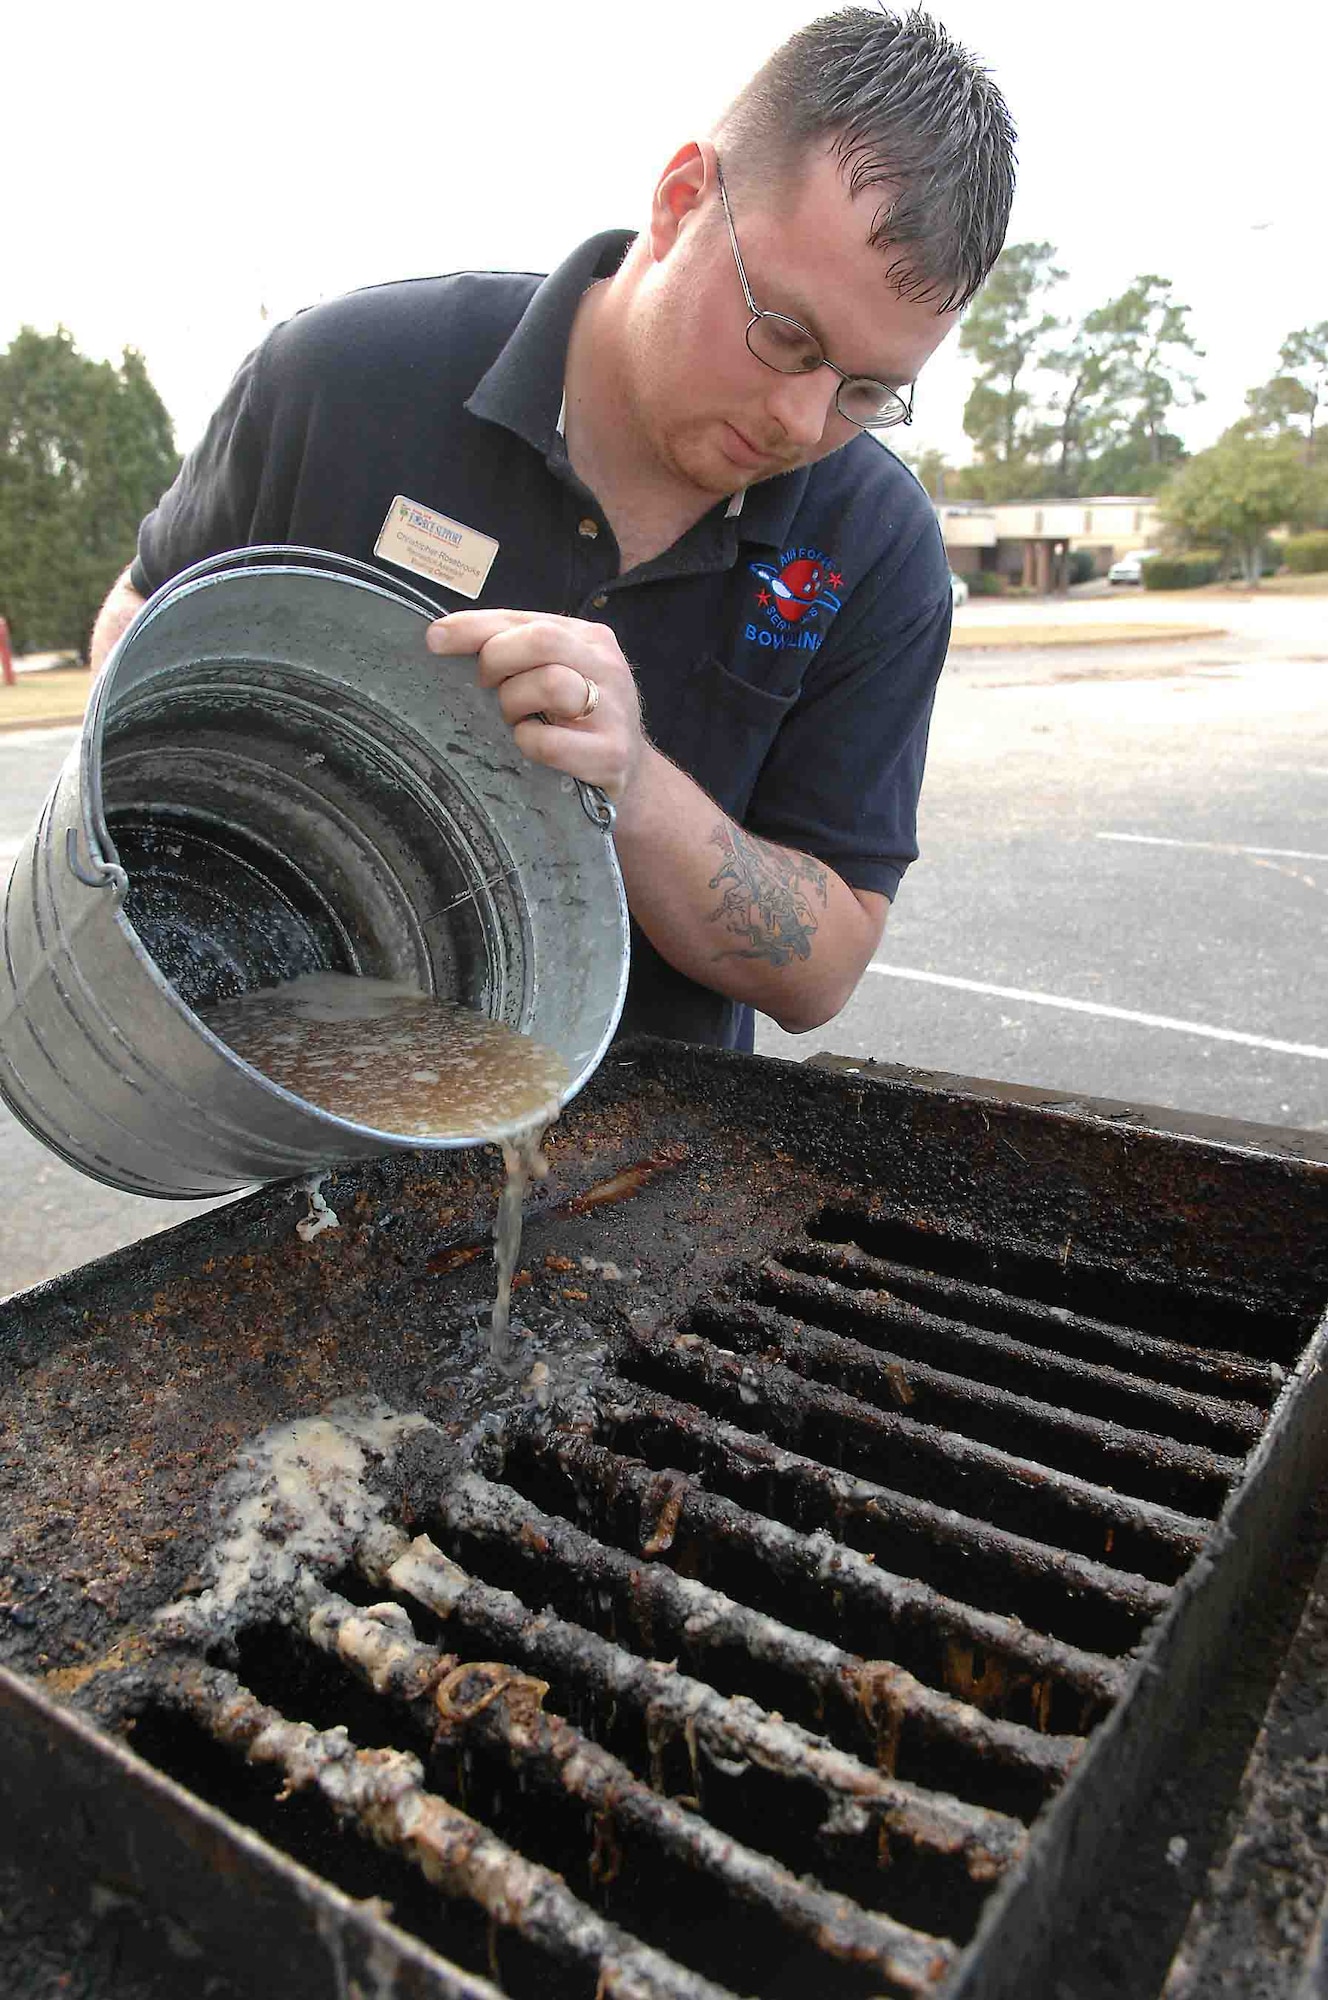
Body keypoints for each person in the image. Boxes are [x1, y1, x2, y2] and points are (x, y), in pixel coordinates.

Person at [89, 8, 1015, 1052]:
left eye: (868, 389)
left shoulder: (876, 545)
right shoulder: (339, 379)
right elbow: (138, 616)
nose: (800, 422)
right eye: (784, 336)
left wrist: (631, 787)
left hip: (650, 1180)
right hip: (308, 1116)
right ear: (678, 203)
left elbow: (824, 966)